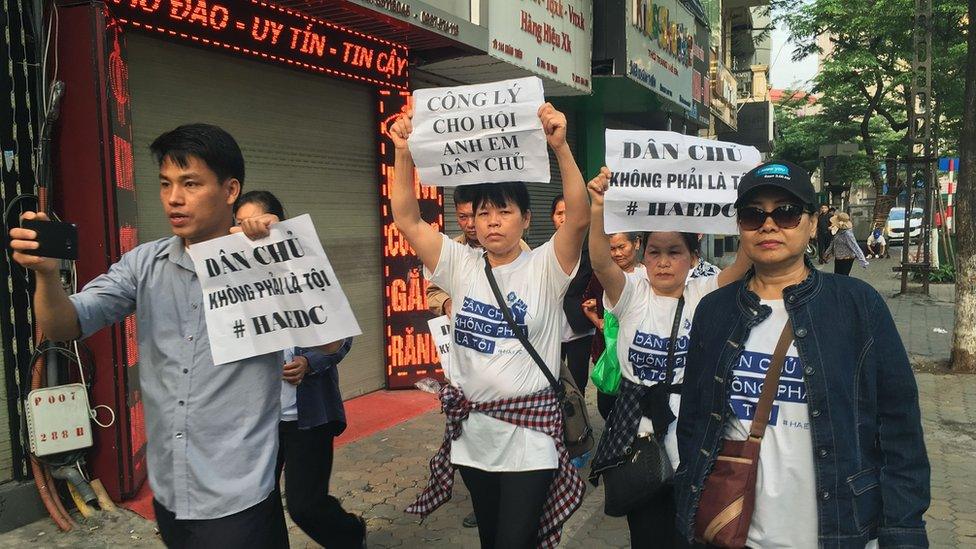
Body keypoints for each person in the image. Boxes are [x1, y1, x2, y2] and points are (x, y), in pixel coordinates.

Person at [8, 124, 344, 548]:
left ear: (229, 190)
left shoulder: (262, 261)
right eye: (166, 184)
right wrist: (46, 275)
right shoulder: (143, 264)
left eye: (191, 184)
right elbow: (65, 325)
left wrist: (283, 256)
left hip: (239, 498)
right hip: (169, 491)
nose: (174, 198)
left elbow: (330, 344)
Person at [675, 160, 930, 548]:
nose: (769, 224)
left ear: (813, 224)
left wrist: (902, 533)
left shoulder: (857, 306)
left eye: (787, 212)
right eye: (753, 214)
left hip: (834, 531)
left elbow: (900, 431)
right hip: (734, 532)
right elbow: (693, 422)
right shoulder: (714, 311)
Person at [392, 103, 588, 548]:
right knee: (492, 539)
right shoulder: (459, 263)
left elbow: (577, 216)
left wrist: (560, 146)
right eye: (482, 213)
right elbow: (406, 217)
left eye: (503, 211)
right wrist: (403, 152)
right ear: (472, 223)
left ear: (525, 218)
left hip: (530, 435)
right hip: (473, 437)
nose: (492, 221)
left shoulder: (547, 266)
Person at [586, 167, 752, 549]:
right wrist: (598, 208)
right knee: (646, 536)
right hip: (636, 439)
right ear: (643, 257)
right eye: (655, 252)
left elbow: (743, 265)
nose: (663, 262)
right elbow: (599, 262)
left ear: (693, 258)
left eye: (674, 252)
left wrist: (745, 205)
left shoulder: (704, 294)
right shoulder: (631, 293)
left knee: (688, 535)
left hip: (692, 438)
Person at [233, 191, 365, 549]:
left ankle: (350, 534)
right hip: (258, 420)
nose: (252, 232)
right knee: (259, 506)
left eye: (260, 224)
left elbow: (342, 338)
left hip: (308, 415)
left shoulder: (309, 272)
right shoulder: (228, 287)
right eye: (241, 225)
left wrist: (309, 361)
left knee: (306, 505)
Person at [425, 186, 529, 530]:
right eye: (469, 216)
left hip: (515, 375)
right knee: (466, 432)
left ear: (523, 220)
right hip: (464, 360)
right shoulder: (450, 251)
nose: (478, 223)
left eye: (483, 214)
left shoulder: (522, 253)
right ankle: (482, 497)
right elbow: (432, 291)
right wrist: (448, 304)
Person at [581, 231, 644, 421]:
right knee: (606, 404)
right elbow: (585, 302)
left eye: (621, 247)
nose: (617, 254)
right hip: (608, 353)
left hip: (638, 354)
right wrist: (598, 322)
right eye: (612, 249)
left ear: (637, 244)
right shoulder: (602, 276)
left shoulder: (648, 276)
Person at [552, 194, 596, 397]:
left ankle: (579, 425)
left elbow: (601, 282)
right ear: (552, 217)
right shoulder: (544, 253)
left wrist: (596, 301)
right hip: (550, 328)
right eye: (559, 213)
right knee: (552, 380)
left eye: (569, 213)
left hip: (579, 325)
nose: (564, 218)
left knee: (577, 382)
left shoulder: (592, 251)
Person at [825, 211, 869, 276]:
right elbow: (833, 243)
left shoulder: (847, 234)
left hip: (846, 259)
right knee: (837, 277)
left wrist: (863, 260)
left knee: (843, 278)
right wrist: (827, 253)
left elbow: (855, 247)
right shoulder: (839, 231)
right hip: (838, 258)